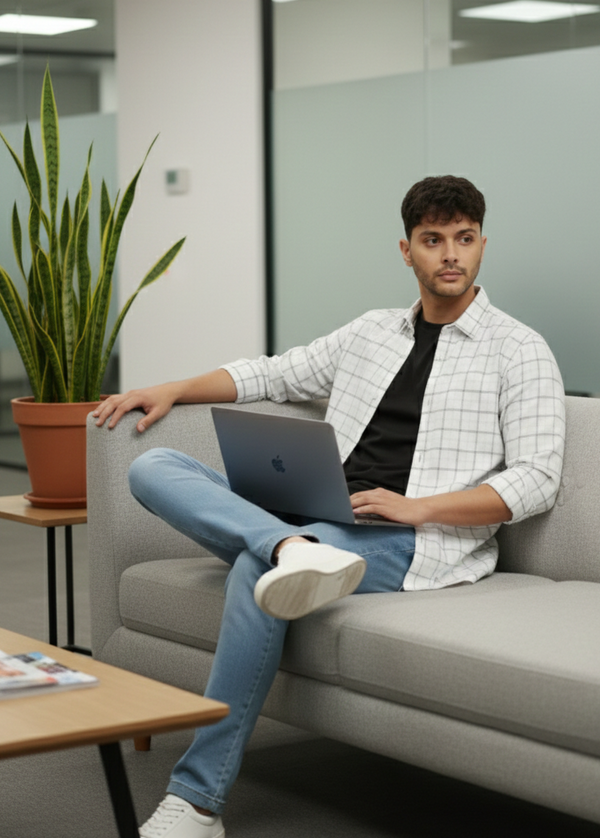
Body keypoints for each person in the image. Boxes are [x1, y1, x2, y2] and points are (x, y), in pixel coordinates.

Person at [93, 174, 565, 838]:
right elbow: (274, 372)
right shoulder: (372, 333)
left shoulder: (519, 350)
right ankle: (291, 546)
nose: (450, 255)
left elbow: (537, 479)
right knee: (154, 466)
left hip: (411, 540)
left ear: (483, 244)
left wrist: (417, 507)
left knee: (253, 574)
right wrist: (171, 388)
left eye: (463, 239)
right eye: (433, 240)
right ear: (407, 251)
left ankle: (197, 803)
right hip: (312, 516)